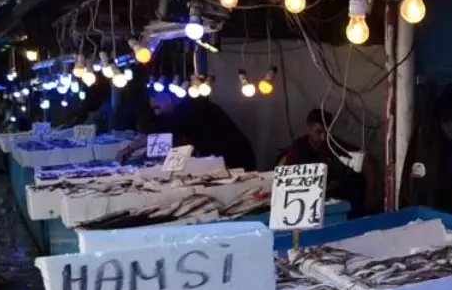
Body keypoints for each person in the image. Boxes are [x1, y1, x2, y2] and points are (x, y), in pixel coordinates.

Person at [117, 91, 255, 170]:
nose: (157, 112)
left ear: (168, 99)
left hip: (235, 159)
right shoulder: (190, 105)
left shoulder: (183, 111)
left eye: (158, 107)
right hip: (229, 156)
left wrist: (130, 149)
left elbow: (158, 133)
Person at [280, 109, 372, 214]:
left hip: (332, 195)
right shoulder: (297, 148)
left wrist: (370, 198)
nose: (323, 137)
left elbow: (366, 159)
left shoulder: (333, 144)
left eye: (327, 132)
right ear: (308, 129)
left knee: (357, 179)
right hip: (305, 200)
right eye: (318, 132)